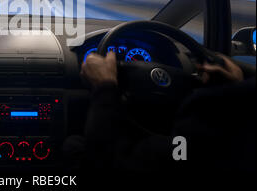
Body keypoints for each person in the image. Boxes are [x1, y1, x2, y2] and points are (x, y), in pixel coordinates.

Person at [78, 51, 255, 172]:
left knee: (74, 146)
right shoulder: (240, 111)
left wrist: (105, 85)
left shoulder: (197, 140)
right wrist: (232, 90)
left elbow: (109, 162)